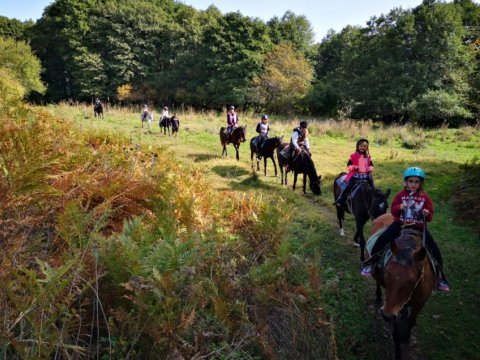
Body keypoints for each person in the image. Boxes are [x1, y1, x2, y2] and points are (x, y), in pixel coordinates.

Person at [361, 167, 450, 292]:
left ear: (421, 183)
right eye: (411, 181)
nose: (413, 184)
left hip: (418, 227)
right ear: (406, 182)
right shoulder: (400, 195)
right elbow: (393, 211)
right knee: (383, 238)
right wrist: (399, 207)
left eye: (416, 182)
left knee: (435, 249)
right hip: (401, 224)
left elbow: (430, 216)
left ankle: (440, 277)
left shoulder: (425, 197)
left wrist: (426, 213)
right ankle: (370, 263)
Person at [335, 139, 374, 207]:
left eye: (365, 146)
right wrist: (355, 167)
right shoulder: (353, 156)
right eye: (361, 146)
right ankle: (341, 199)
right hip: (355, 175)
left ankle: (374, 199)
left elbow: (371, 165)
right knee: (349, 186)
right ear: (357, 146)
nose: (363, 147)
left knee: (372, 186)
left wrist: (370, 169)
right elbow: (349, 165)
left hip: (366, 175)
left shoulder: (368, 157)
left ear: (367, 147)